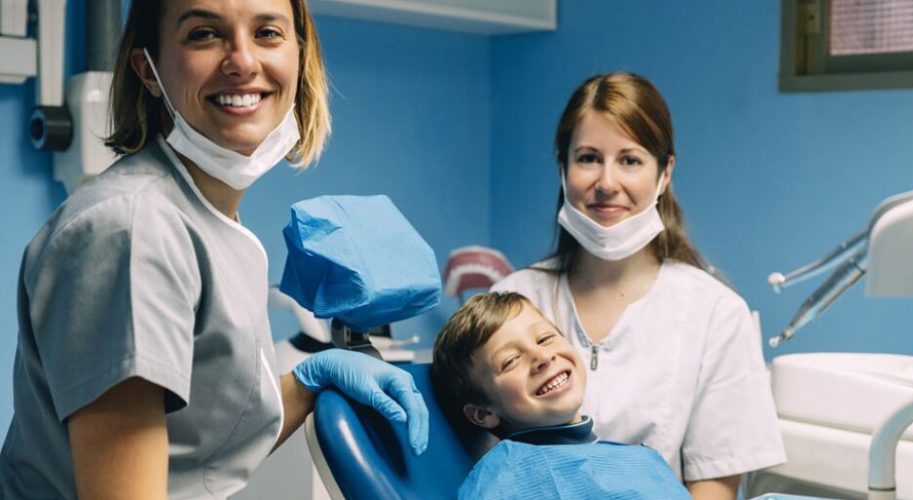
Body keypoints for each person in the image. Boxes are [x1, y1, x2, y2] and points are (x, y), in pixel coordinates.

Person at [0, 1, 427, 498]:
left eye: (267, 32)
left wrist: (311, 380)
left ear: (299, 56)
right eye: (204, 34)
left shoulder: (200, 217)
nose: (243, 61)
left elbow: (192, 453)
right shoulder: (131, 232)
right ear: (149, 70)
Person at [491, 72, 785, 499]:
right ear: (562, 165)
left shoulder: (715, 313)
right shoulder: (512, 300)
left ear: (664, 172)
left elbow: (714, 488)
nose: (607, 182)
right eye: (589, 158)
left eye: (630, 160)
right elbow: (478, 454)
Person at [432, 291, 691, 500]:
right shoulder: (503, 482)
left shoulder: (640, 460)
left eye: (544, 339)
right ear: (484, 413)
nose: (543, 357)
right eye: (511, 361)